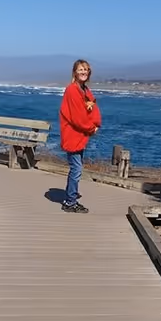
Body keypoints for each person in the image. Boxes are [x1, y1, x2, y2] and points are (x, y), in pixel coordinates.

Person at [59, 59, 101, 213]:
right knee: (76, 169)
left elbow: (92, 109)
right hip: (73, 135)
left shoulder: (85, 90)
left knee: (76, 168)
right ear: (75, 72)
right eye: (81, 69)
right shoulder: (72, 90)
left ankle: (70, 198)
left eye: (86, 69)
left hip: (80, 135)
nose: (84, 72)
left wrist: (95, 123)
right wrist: (91, 128)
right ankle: (70, 201)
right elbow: (77, 116)